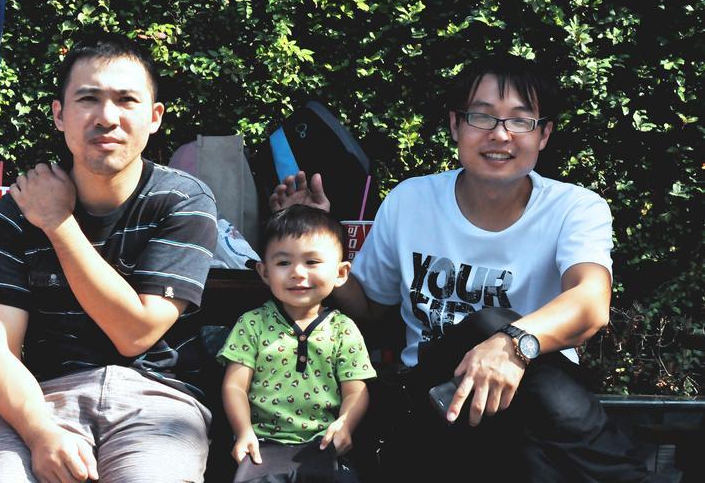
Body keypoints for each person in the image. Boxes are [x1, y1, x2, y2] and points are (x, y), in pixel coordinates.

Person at [269, 56, 661, 481]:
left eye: (520, 120)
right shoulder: (411, 201)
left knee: (528, 441)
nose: (500, 134)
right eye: (482, 116)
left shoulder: (574, 208)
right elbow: (368, 308)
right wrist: (313, 239)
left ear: (544, 134)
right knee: (490, 323)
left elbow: (590, 302)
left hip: (531, 406)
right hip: (433, 405)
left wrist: (512, 344)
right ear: (456, 125)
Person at [0, 31, 218, 482]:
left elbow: (135, 333)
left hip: (159, 401)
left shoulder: (183, 201)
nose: (107, 118)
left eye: (126, 100)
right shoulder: (15, 212)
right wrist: (40, 433)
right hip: (44, 401)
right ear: (59, 115)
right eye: (88, 99)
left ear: (154, 117)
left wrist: (58, 223)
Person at [217, 205, 376, 482]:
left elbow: (356, 390)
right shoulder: (252, 324)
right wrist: (243, 431)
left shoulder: (343, 329)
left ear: (341, 273)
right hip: (261, 445)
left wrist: (345, 424)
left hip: (324, 444)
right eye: (283, 263)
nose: (298, 273)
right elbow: (235, 386)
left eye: (312, 262)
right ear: (264, 272)